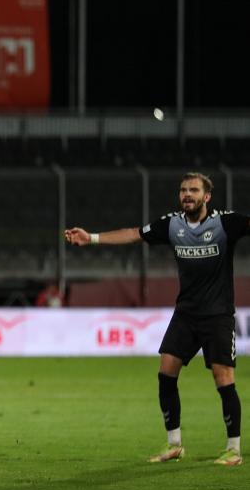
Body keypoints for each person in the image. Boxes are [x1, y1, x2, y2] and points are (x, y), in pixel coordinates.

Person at [65, 172, 243, 466]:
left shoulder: (225, 223)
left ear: (207, 196)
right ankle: (174, 444)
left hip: (218, 316)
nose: (187, 194)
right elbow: (133, 233)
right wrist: (91, 238)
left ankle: (233, 449)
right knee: (166, 374)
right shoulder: (172, 224)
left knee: (223, 379)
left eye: (194, 190)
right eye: (183, 190)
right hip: (186, 314)